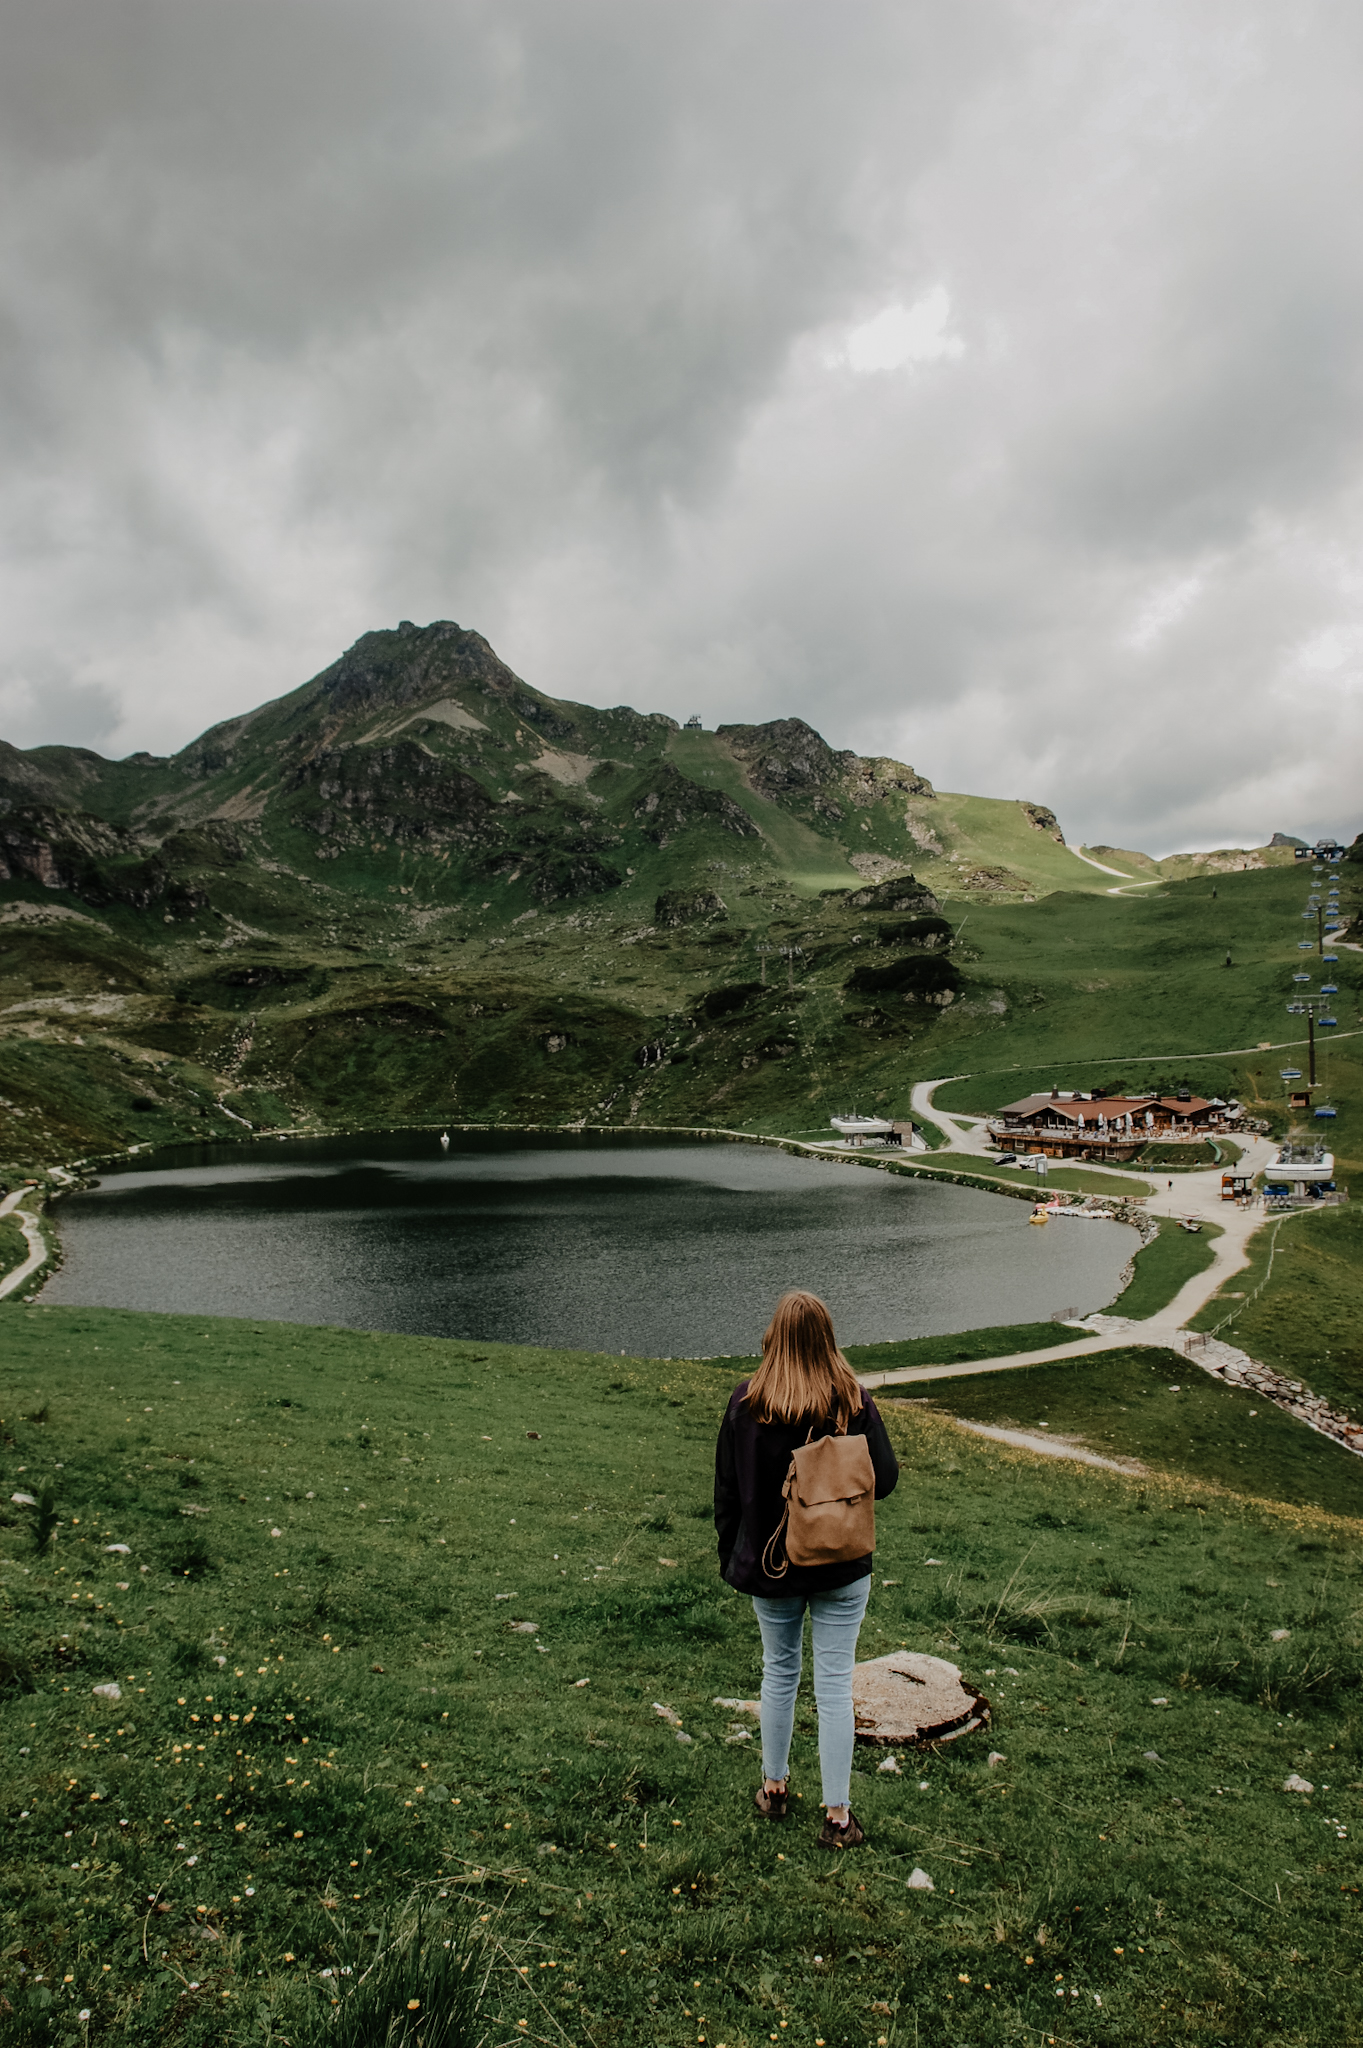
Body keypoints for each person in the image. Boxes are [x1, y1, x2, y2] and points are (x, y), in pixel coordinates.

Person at [714, 1290, 898, 1848]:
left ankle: (774, 1788)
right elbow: (884, 1480)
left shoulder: (747, 1402)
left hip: (770, 1569)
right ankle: (838, 1816)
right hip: (842, 1564)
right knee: (836, 1685)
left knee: (780, 1673)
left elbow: (727, 1491)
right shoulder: (851, 1401)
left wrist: (734, 1555)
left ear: (774, 1337)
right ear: (828, 1338)